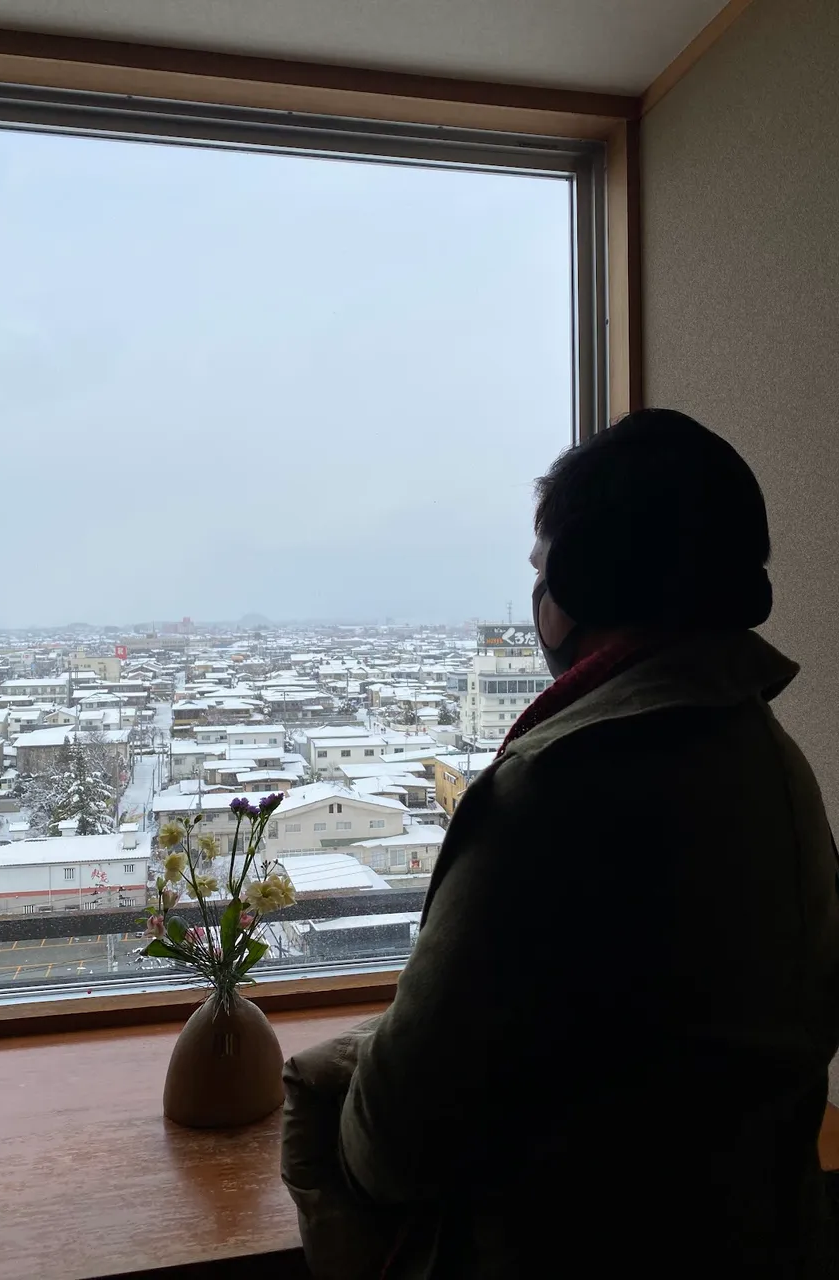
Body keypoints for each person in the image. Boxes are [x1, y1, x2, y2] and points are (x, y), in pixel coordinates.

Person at [281, 409, 839, 1279]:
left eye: (544, 572)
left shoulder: (556, 788)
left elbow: (392, 1145)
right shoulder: (772, 758)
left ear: (583, 578)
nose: (538, 598)